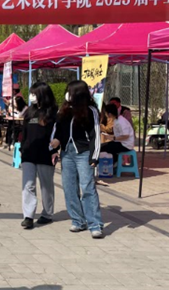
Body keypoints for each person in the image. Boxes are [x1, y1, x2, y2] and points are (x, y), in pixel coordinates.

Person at [50, 80, 104, 239]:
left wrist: (94, 156)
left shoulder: (91, 111)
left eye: (70, 91)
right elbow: (58, 129)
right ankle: (78, 220)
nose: (67, 94)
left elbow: (95, 134)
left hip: (84, 153)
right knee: (69, 187)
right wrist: (55, 145)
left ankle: (95, 224)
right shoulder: (64, 110)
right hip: (67, 153)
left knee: (87, 187)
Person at [18, 82, 58, 230]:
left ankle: (47, 213)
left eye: (34, 94)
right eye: (31, 93)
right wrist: (22, 148)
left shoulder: (53, 113)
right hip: (29, 153)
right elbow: (25, 131)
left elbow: (57, 133)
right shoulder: (30, 112)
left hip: (45, 154)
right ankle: (28, 216)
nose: (31, 96)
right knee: (28, 185)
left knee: (46, 186)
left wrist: (55, 150)